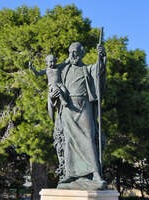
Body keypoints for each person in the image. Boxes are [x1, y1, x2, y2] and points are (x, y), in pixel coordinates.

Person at [49, 42, 107, 190]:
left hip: (83, 106)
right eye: (70, 52)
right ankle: (70, 174)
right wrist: (53, 95)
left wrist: (101, 56)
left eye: (75, 52)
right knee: (69, 141)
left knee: (88, 138)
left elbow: (99, 71)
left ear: (82, 54)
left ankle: (96, 174)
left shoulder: (87, 69)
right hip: (67, 108)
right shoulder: (63, 71)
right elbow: (53, 86)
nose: (72, 55)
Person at [29, 54, 69, 121]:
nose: (52, 63)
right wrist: (33, 69)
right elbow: (38, 73)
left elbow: (65, 62)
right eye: (50, 62)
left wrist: (71, 55)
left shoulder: (58, 67)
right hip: (52, 86)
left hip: (60, 84)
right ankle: (63, 101)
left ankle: (64, 109)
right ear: (47, 62)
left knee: (65, 92)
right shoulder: (46, 70)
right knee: (57, 90)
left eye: (53, 61)